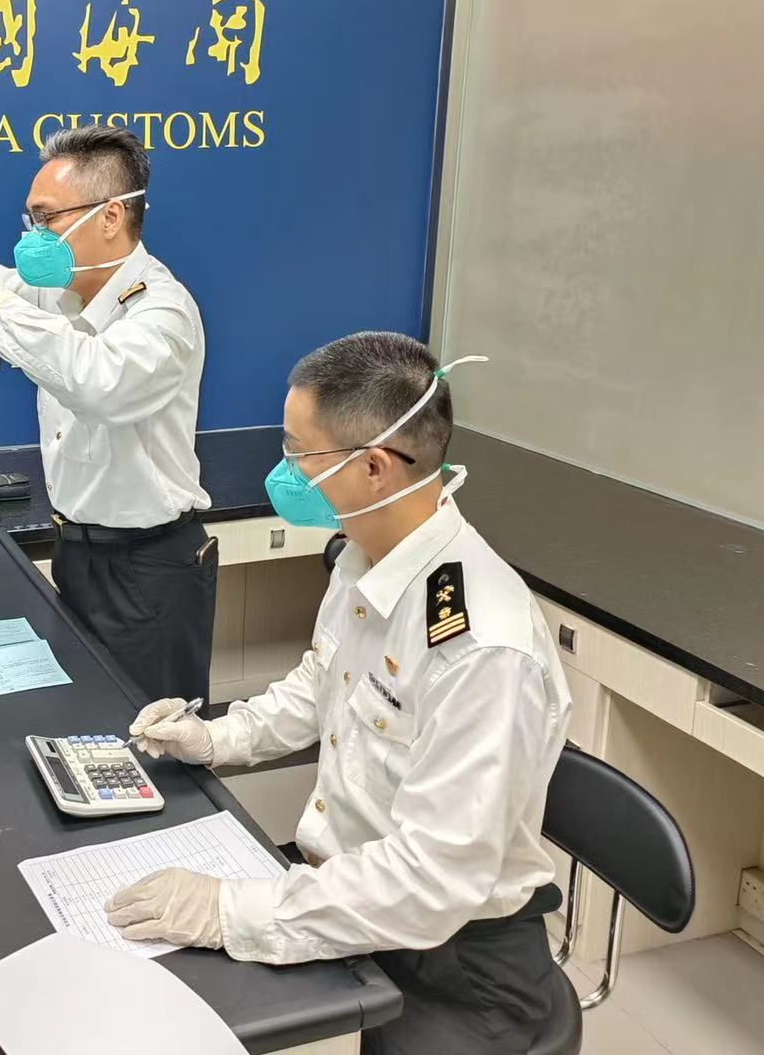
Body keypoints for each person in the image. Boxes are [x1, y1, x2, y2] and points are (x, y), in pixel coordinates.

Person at [105, 331, 571, 1055]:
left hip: (455, 961)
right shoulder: (366, 557)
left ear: (374, 467)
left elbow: (432, 878)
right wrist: (214, 737)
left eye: (299, 453)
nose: (283, 472)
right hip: (360, 903)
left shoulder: (478, 645)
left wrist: (226, 911)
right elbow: (320, 686)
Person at [0, 124, 214, 704]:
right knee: (89, 718)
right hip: (78, 552)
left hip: (148, 565)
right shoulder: (64, 289)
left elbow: (97, 381)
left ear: (111, 216)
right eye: (31, 219)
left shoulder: (163, 313)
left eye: (46, 218)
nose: (35, 235)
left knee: (155, 730)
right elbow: (0, 287)